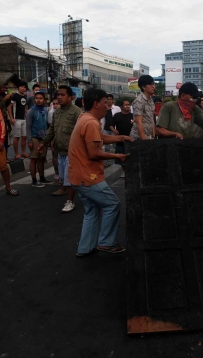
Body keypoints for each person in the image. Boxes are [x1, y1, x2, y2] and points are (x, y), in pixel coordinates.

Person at [68, 88, 133, 257]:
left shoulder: (85, 118)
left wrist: (122, 137)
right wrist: (118, 156)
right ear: (97, 103)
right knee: (113, 204)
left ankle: (85, 248)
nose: (108, 106)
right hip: (88, 177)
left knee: (92, 211)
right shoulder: (91, 122)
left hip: (78, 176)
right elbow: (94, 153)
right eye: (105, 102)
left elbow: (99, 138)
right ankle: (106, 242)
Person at [38, 85, 81, 213]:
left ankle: (70, 201)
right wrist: (43, 143)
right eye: (58, 95)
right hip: (60, 150)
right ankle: (77, 194)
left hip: (72, 151)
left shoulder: (76, 112)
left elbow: (81, 131)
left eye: (62, 95)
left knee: (69, 178)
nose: (59, 97)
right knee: (64, 177)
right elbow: (52, 130)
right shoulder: (56, 112)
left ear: (70, 97)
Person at [26, 91, 49, 188]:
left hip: (43, 138)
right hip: (35, 138)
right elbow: (28, 127)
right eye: (37, 98)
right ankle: (34, 179)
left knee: (42, 159)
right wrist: (29, 140)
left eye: (40, 98)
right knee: (34, 159)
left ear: (44, 100)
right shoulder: (31, 111)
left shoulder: (45, 110)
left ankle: (42, 177)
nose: (38, 100)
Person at [109, 99, 134, 178]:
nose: (127, 106)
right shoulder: (117, 115)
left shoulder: (132, 115)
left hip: (131, 139)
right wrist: (114, 130)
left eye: (128, 105)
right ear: (121, 107)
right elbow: (111, 125)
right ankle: (124, 171)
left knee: (131, 156)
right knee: (121, 156)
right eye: (125, 105)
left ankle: (131, 171)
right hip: (120, 140)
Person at [130, 75, 156, 140]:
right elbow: (138, 121)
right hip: (138, 138)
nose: (153, 86)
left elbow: (151, 118)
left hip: (149, 136)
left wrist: (153, 134)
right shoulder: (139, 101)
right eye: (150, 84)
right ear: (144, 87)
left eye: (153, 84)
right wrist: (144, 141)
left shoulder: (151, 100)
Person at [8, 82, 29, 159]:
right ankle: (16, 153)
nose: (23, 88)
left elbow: (25, 108)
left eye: (24, 87)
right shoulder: (15, 96)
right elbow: (9, 107)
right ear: (18, 87)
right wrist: (11, 118)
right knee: (16, 137)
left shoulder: (26, 96)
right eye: (21, 87)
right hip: (16, 119)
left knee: (24, 137)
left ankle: (23, 152)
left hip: (24, 119)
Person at [48, 96, 60, 183]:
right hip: (55, 139)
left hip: (65, 140)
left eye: (57, 104)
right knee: (55, 157)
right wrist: (51, 141)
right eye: (54, 104)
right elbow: (50, 128)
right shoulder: (51, 113)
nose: (55, 105)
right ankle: (57, 173)